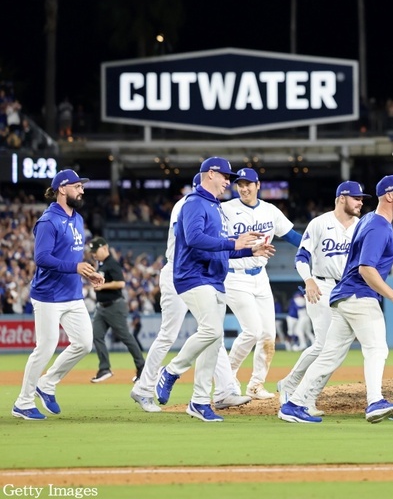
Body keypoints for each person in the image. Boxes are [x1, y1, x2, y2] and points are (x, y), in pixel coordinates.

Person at [278, 174, 393, 424]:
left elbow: (377, 246)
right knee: (377, 348)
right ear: (389, 195)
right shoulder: (376, 225)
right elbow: (367, 268)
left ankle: (294, 403)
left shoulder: (367, 221)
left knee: (329, 355)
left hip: (342, 296)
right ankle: (375, 400)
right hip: (359, 294)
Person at [154, 157, 274, 423]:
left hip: (214, 278)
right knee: (212, 331)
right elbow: (195, 240)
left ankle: (198, 401)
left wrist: (248, 250)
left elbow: (219, 250)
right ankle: (171, 371)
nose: (228, 183)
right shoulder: (194, 203)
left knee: (213, 341)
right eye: (226, 177)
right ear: (210, 174)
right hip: (192, 276)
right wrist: (233, 244)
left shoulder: (214, 207)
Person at [131, 174, 248, 413]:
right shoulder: (188, 204)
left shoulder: (211, 206)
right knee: (170, 334)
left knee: (213, 333)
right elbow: (191, 239)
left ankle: (225, 389)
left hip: (201, 272)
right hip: (181, 269)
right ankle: (144, 388)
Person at [12, 169, 104, 421]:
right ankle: (23, 402)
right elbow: (41, 258)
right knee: (45, 347)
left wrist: (88, 273)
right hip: (48, 295)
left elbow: (71, 257)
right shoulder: (48, 220)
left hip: (72, 293)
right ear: (62, 189)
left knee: (85, 343)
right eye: (77, 186)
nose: (82, 190)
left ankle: (47, 383)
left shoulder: (77, 218)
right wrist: (75, 267)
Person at [278, 180, 371, 415]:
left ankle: (307, 395)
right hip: (322, 285)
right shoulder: (320, 223)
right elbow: (301, 256)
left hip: (348, 288)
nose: (361, 202)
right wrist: (308, 280)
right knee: (323, 345)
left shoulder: (360, 226)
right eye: (356, 198)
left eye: (362, 199)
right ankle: (291, 386)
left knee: (336, 349)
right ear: (342, 198)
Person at [222, 167, 303, 400]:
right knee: (252, 330)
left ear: (258, 185)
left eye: (248, 183)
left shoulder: (270, 211)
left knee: (268, 334)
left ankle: (256, 385)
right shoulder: (226, 210)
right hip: (235, 274)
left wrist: (312, 247)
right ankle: (228, 378)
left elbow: (291, 235)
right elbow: (215, 240)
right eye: (240, 184)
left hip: (261, 277)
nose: (244, 188)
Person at [88, 237, 146, 384]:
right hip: (102, 307)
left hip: (114, 306)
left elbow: (121, 283)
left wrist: (103, 286)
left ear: (105, 248)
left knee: (126, 337)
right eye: (92, 251)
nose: (94, 254)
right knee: (96, 335)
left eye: (96, 250)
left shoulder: (112, 263)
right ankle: (104, 368)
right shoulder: (101, 264)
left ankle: (142, 368)